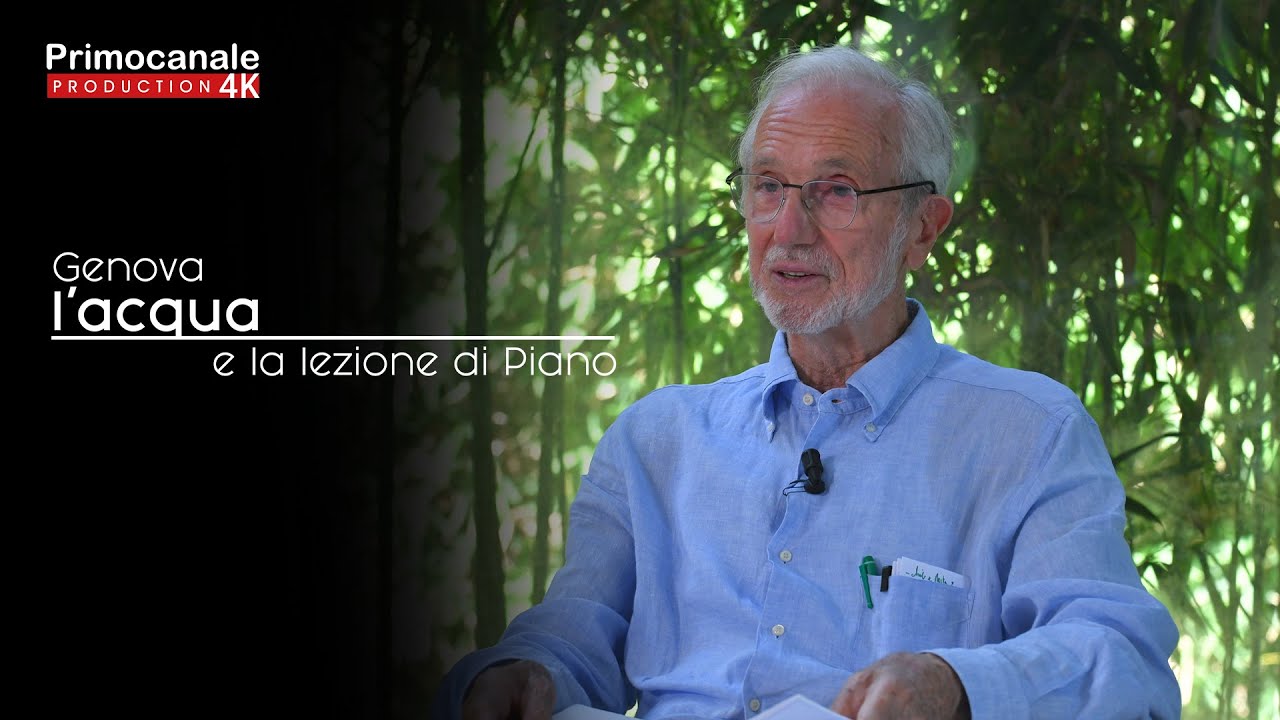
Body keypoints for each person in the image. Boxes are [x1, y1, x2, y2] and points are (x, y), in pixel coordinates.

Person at [436, 45, 1181, 719]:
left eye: (836, 190)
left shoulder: (1028, 433)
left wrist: (955, 684)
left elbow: (1124, 663)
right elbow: (571, 641)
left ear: (923, 227)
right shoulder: (656, 441)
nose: (788, 229)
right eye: (768, 186)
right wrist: (520, 672)